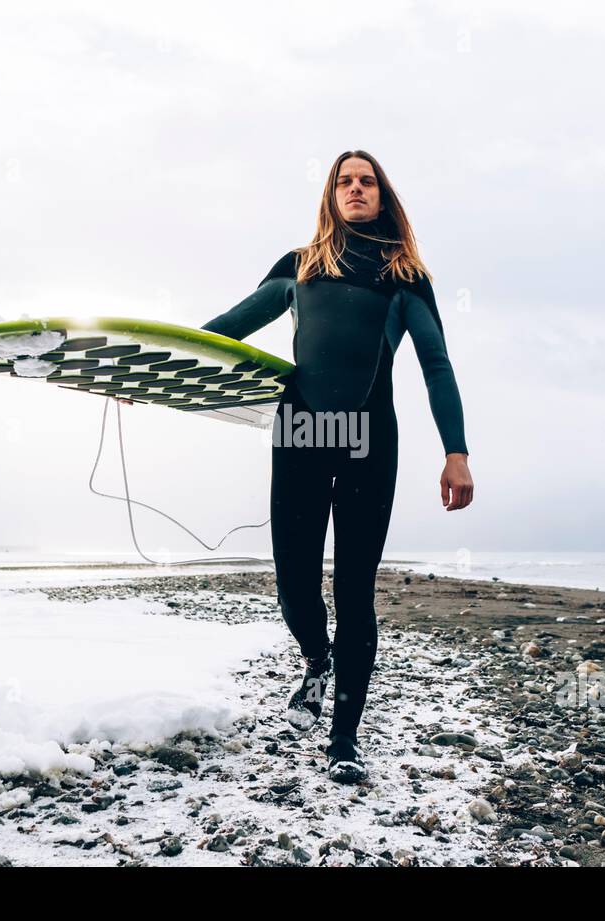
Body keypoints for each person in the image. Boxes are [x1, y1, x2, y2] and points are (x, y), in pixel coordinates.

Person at [201, 150, 474, 783]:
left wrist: (455, 451)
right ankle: (316, 661)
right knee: (294, 581)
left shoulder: (405, 276)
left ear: (383, 196)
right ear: (331, 194)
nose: (356, 189)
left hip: (369, 439)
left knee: (355, 587)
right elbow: (229, 331)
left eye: (367, 181)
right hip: (299, 432)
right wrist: (156, 365)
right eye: (345, 181)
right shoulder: (298, 267)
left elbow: (436, 363)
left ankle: (344, 737)